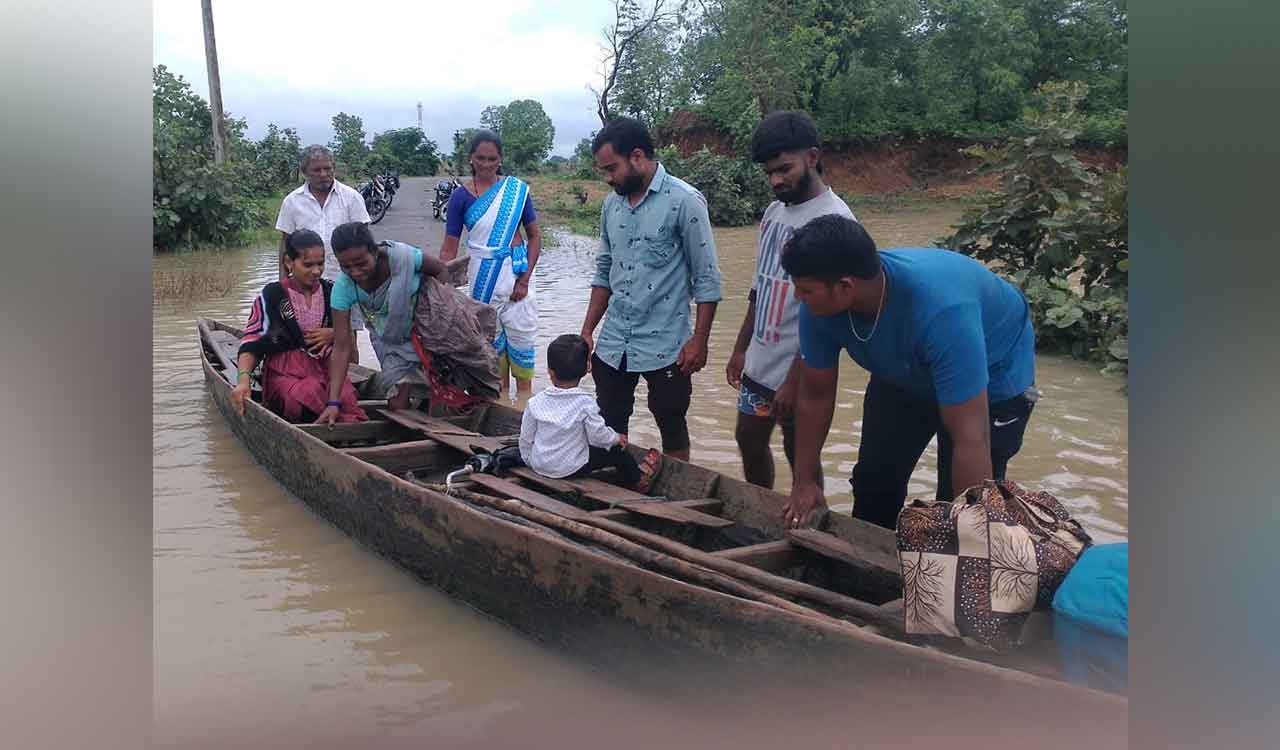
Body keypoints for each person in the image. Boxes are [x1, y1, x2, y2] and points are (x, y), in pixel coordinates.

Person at [781, 215, 1038, 530]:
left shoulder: (942, 315)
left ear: (846, 287)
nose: (798, 298)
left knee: (957, 504)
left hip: (993, 375)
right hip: (904, 372)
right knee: (874, 484)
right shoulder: (818, 306)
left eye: (804, 290)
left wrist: (969, 537)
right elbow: (815, 394)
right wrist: (804, 481)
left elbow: (971, 437)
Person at [726, 110, 856, 490]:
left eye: (785, 169)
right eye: (769, 173)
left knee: (801, 458)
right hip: (759, 363)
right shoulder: (773, 213)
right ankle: (761, 514)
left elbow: (833, 315)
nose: (776, 180)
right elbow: (760, 285)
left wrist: (795, 378)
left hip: (803, 370)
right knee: (748, 441)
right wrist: (739, 349)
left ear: (812, 158)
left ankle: (809, 531)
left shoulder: (836, 221)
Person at [581, 116, 723, 462]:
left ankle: (678, 500)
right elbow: (604, 272)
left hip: (668, 344)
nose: (607, 177)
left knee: (671, 423)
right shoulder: (611, 205)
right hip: (615, 341)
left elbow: (707, 277)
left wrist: (699, 341)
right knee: (610, 424)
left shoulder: (684, 201)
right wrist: (587, 330)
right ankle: (617, 487)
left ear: (638, 156)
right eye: (603, 170)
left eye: (611, 168)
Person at [439, 130, 542, 406]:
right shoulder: (460, 198)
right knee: (489, 354)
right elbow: (450, 247)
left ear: (500, 160)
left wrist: (524, 281)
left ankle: (522, 410)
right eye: (480, 158)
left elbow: (534, 236)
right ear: (471, 159)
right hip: (481, 282)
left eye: (492, 159)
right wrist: (439, 285)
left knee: (522, 350)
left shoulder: (516, 191)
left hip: (516, 279)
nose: (486, 164)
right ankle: (499, 410)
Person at [317, 222, 453, 424]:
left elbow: (441, 270)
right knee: (398, 406)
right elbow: (342, 346)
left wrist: (437, 312)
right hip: (390, 342)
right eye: (346, 267)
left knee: (442, 400)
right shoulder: (343, 288)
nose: (355, 272)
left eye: (361, 263)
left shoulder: (404, 258)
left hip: (429, 333)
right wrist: (333, 402)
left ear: (375, 251)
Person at [231, 229, 368, 424]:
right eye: (308, 265)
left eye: (320, 264)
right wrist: (243, 379)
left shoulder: (332, 291)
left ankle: (341, 429)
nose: (316, 271)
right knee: (307, 392)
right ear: (289, 262)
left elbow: (348, 342)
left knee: (344, 395)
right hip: (285, 372)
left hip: (326, 367)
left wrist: (334, 334)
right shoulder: (273, 295)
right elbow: (252, 341)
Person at [519, 334, 661, 490]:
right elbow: (597, 437)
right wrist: (615, 438)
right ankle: (638, 481)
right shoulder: (585, 403)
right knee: (617, 451)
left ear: (549, 371)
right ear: (587, 368)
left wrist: (529, 460)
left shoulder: (535, 402)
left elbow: (526, 438)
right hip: (569, 469)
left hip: (539, 465)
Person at [274, 145, 371, 280]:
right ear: (304, 172)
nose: (323, 174)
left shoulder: (352, 197)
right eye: (316, 170)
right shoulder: (291, 202)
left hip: (347, 279)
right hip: (305, 281)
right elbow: (285, 243)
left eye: (327, 168)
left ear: (334, 168)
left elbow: (365, 241)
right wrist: (283, 282)